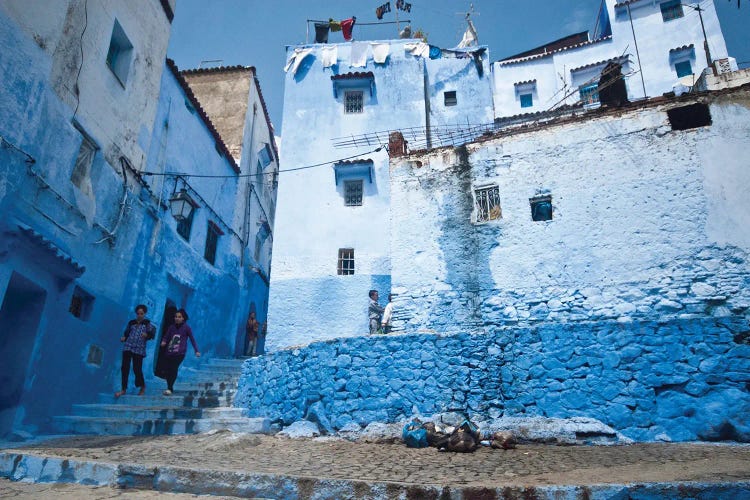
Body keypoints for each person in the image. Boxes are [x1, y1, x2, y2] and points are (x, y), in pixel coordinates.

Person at [115, 304, 156, 398]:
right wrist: (124, 337)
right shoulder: (131, 323)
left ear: (145, 314)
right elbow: (127, 332)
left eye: (141, 313)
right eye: (138, 313)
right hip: (128, 346)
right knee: (124, 367)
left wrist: (147, 335)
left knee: (136, 369)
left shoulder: (147, 324)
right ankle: (123, 389)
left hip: (139, 349)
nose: (139, 315)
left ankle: (142, 386)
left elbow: (152, 333)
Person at [160, 308, 200, 395]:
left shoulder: (186, 328)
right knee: (168, 369)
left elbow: (192, 339)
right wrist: (163, 341)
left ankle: (169, 388)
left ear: (183, 318)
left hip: (180, 353)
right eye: (176, 317)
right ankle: (169, 386)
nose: (177, 318)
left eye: (179, 317)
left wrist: (196, 350)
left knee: (173, 368)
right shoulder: (171, 327)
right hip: (170, 351)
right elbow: (166, 336)